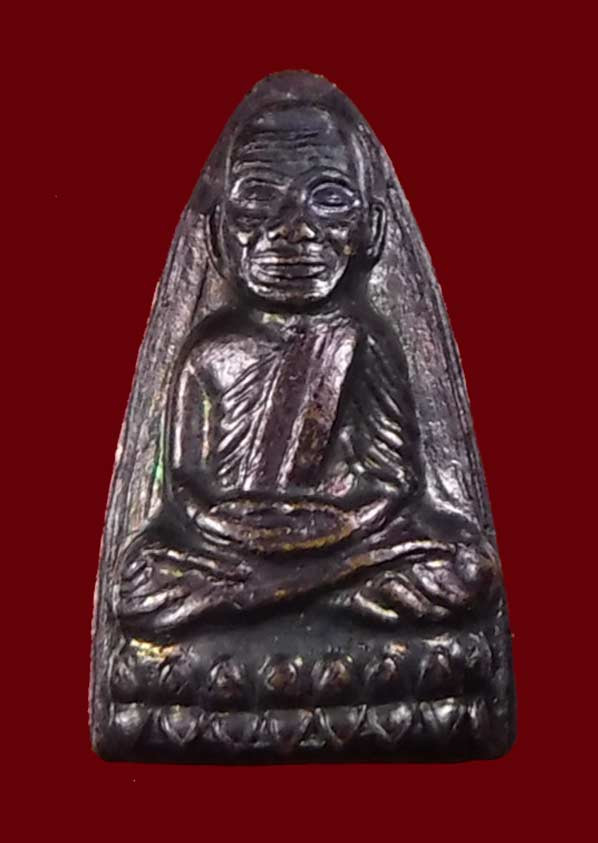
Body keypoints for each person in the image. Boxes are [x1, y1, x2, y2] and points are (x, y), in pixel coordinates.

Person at [115, 102, 495, 635]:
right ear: (219, 232)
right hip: (231, 545)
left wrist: (340, 527)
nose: (293, 231)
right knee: (139, 582)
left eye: (329, 201)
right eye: (258, 201)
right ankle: (295, 596)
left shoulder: (365, 340)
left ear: (371, 230)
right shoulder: (209, 351)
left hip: (347, 539)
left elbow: (394, 480)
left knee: (462, 569)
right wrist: (229, 525)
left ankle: (260, 599)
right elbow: (186, 483)